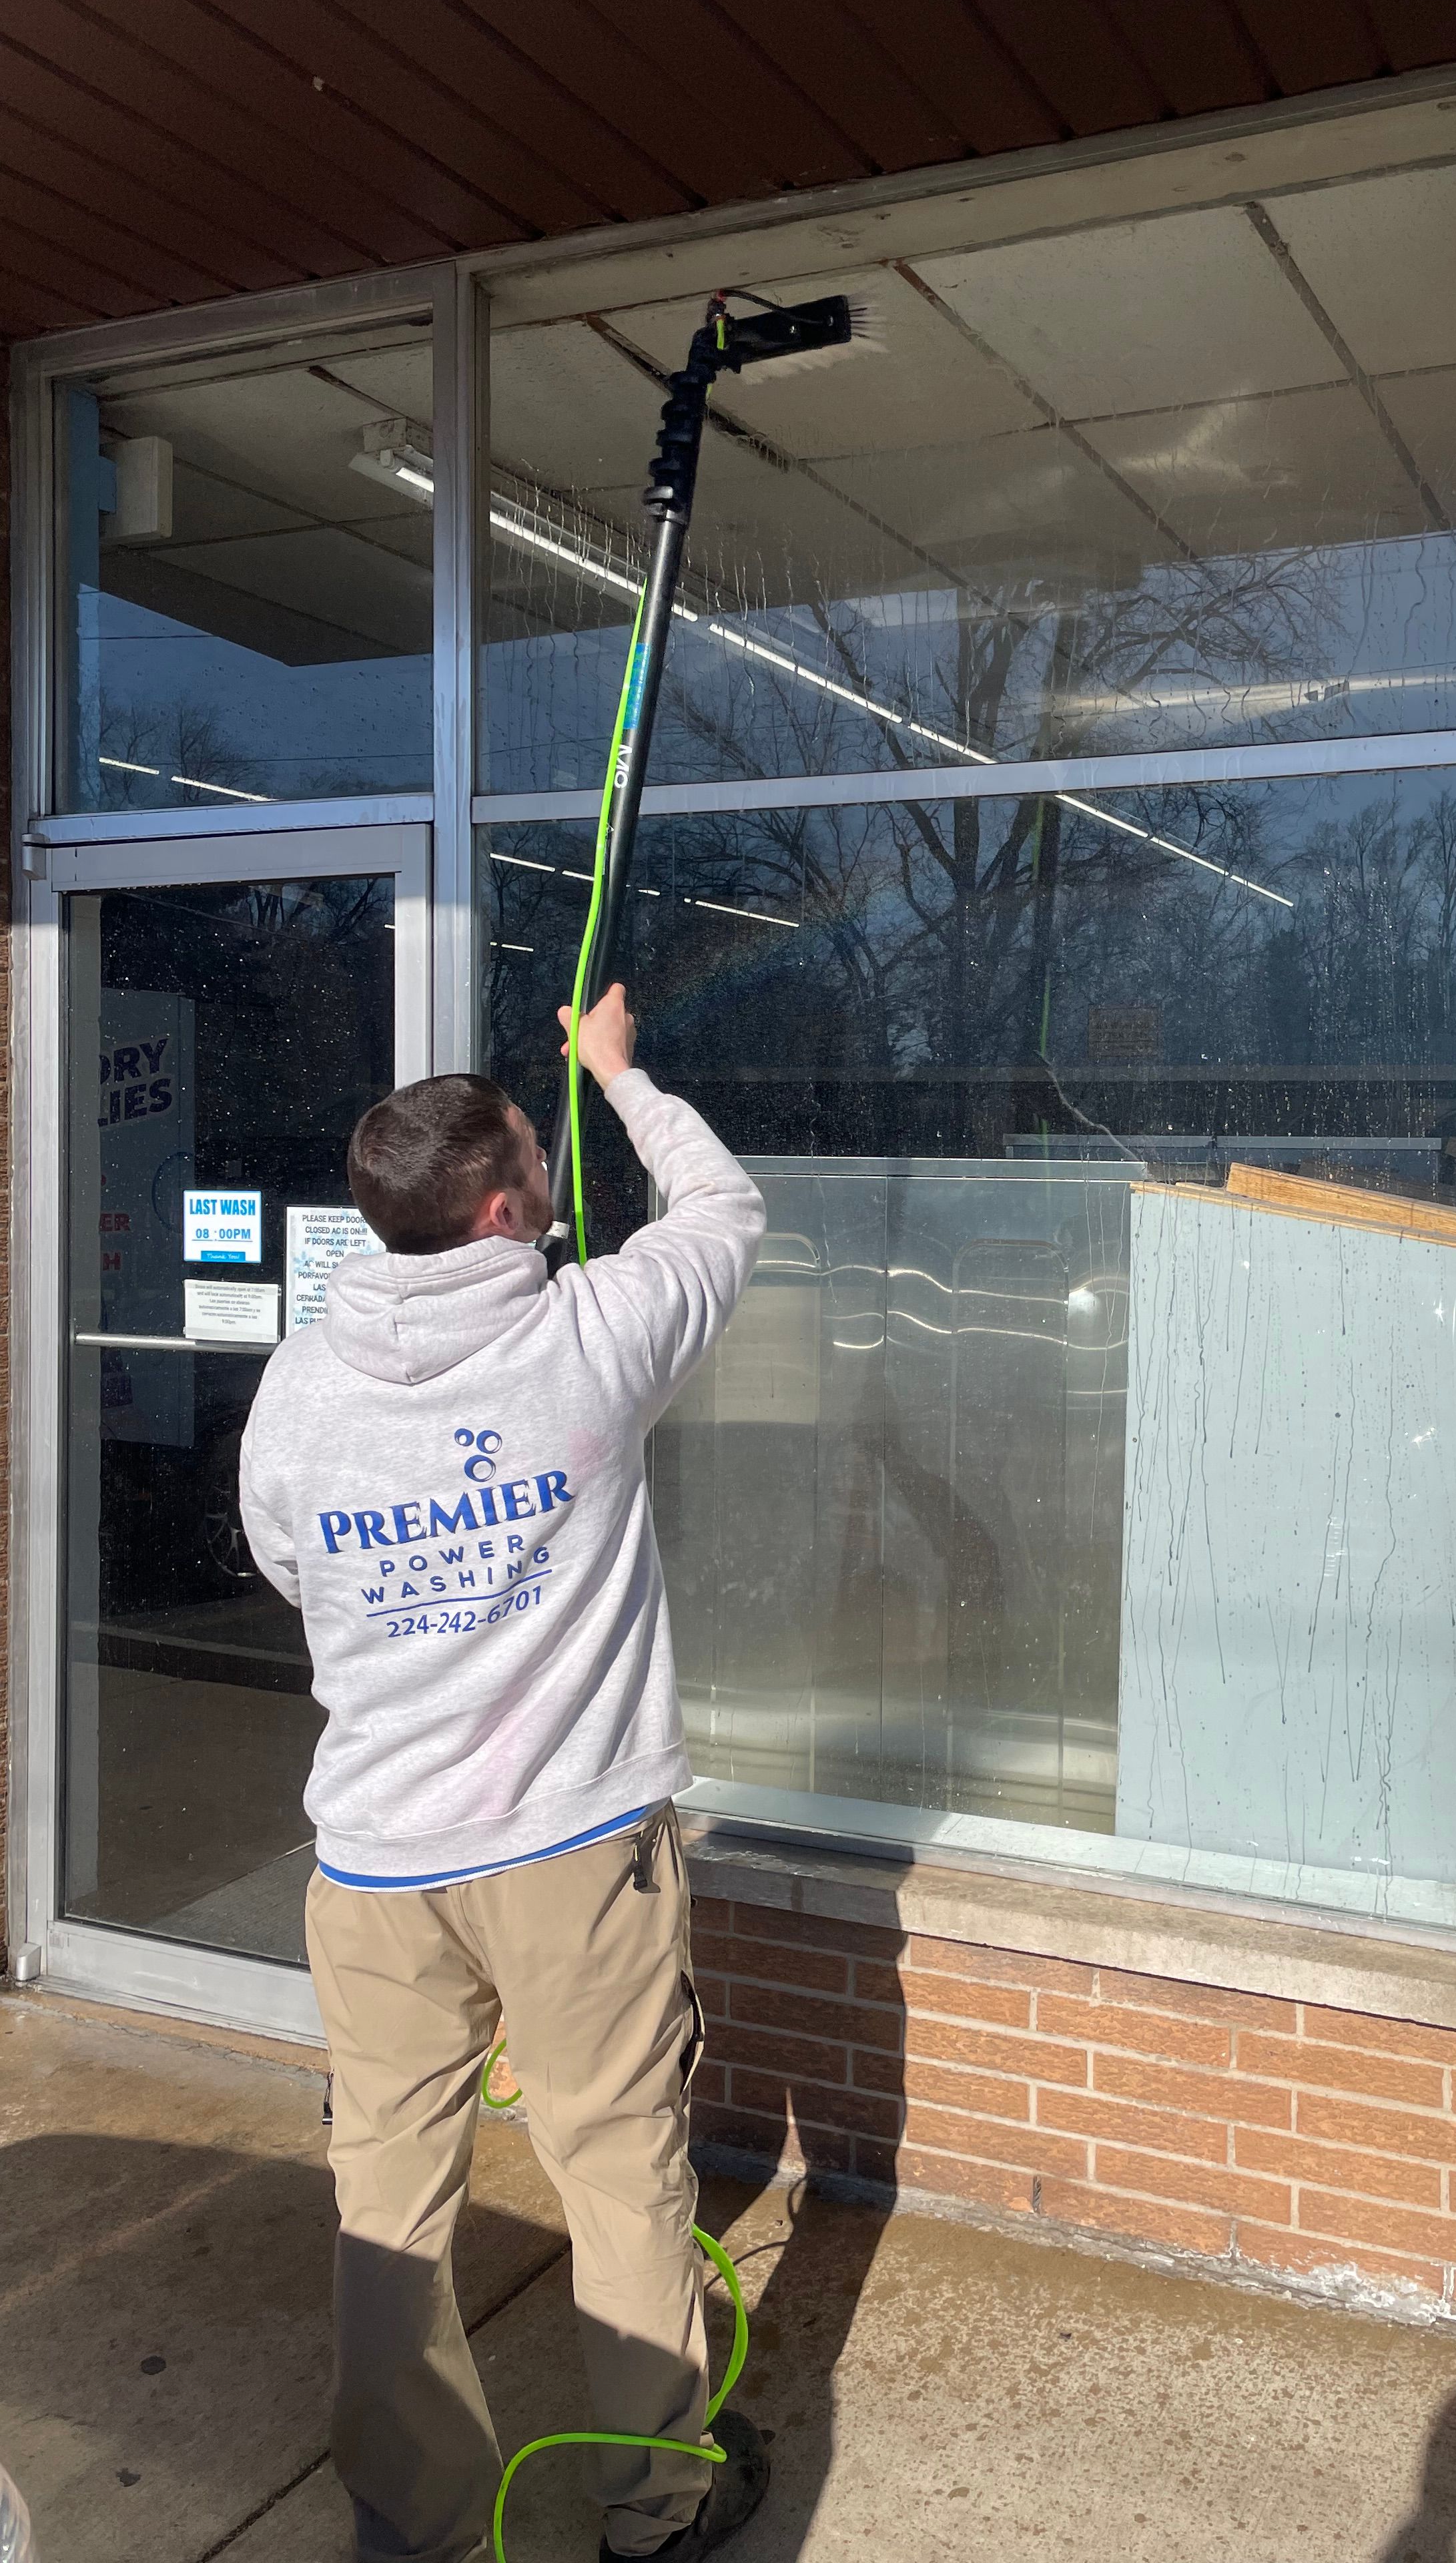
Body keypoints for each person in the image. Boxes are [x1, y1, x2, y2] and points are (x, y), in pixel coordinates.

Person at [239, 983, 769, 2563]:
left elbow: (289, 1564)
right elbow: (728, 1206)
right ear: (501, 1206)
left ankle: (419, 2534)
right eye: (540, 1153)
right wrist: (621, 1075)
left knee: (384, 2210)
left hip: (376, 1870)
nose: (553, 1173)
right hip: (569, 1856)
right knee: (616, 2177)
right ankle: (656, 2509)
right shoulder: (595, 1334)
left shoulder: (298, 1387)